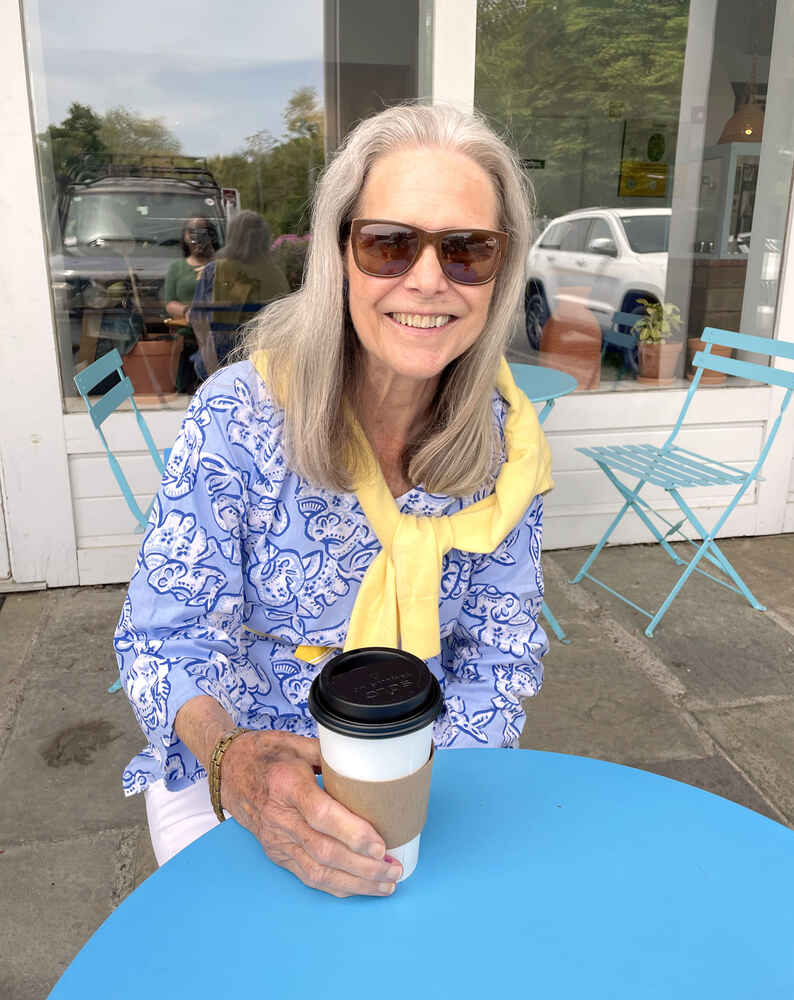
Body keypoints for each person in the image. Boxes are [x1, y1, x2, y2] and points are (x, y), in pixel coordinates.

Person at [115, 103, 553, 899]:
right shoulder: (240, 416)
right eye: (389, 243)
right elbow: (163, 639)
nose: (428, 280)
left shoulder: (505, 446)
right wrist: (234, 766)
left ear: (501, 270)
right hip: (241, 769)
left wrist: (424, 787)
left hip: (427, 764)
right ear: (338, 253)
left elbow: (502, 650)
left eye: (466, 251)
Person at [188, 210, 289, 380]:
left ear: (232, 237)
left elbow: (198, 320)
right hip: (262, 364)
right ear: (264, 238)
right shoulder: (275, 274)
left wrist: (212, 371)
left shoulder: (216, 270)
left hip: (223, 361)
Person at [163, 217, 220, 392]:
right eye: (191, 232)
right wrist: (187, 311)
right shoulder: (177, 268)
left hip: (218, 337)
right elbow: (169, 303)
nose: (197, 238)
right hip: (188, 337)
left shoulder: (222, 265)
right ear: (184, 238)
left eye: (203, 232)